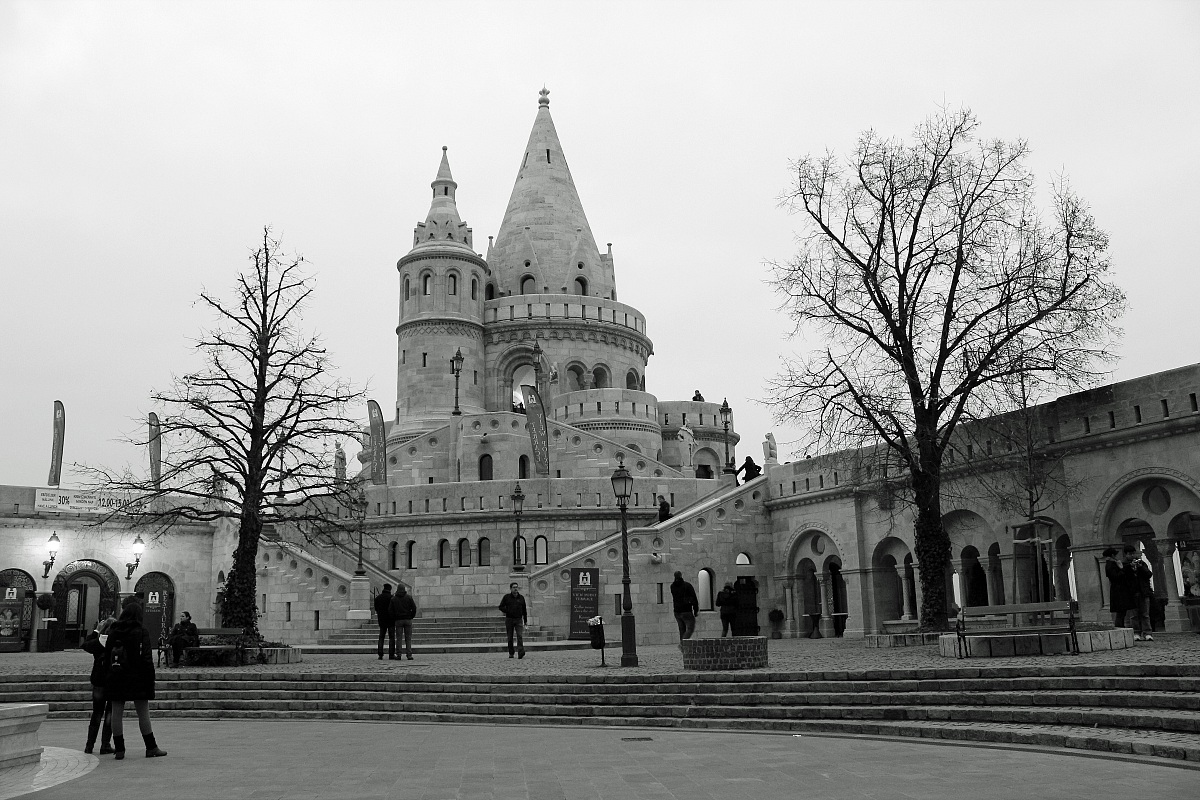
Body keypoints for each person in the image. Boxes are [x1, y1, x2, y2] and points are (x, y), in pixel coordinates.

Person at [104, 602, 166, 759]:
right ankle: (151, 747)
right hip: (138, 676)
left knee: (116, 712)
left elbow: (107, 654)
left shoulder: (114, 630)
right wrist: (150, 678)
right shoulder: (141, 631)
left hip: (117, 675)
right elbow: (146, 657)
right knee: (143, 712)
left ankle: (119, 749)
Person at [79, 615, 116, 754]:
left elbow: (85, 645)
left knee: (97, 713)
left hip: (99, 680)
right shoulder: (116, 641)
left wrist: (96, 630)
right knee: (110, 713)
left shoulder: (98, 642)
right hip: (112, 681)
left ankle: (89, 745)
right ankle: (105, 744)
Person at [1103, 546, 1135, 630]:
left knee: (1122, 612)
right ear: (1112, 555)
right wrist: (1122, 569)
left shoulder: (1111, 564)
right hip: (1118, 591)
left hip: (1119, 590)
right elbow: (1116, 577)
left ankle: (1120, 627)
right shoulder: (1110, 565)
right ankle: (1119, 628)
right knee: (1120, 612)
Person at [1129, 547, 1155, 642]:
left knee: (1145, 614)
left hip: (1143, 592)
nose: (1132, 556)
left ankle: (1147, 633)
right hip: (1132, 593)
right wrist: (1131, 568)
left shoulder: (1142, 564)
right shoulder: (1125, 565)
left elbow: (1149, 574)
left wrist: (1140, 567)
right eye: (1130, 554)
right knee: (1134, 615)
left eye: (1133, 553)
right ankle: (1136, 633)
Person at [499, 582, 527, 659]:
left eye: (516, 587)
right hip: (509, 619)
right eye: (514, 587)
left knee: (519, 636)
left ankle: (520, 652)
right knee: (510, 637)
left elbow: (524, 610)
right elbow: (501, 607)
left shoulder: (521, 598)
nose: (515, 589)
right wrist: (507, 611)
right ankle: (511, 652)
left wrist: (525, 621)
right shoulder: (506, 597)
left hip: (518, 619)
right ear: (511, 589)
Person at [390, 585, 418, 660]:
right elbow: (414, 608)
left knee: (399, 638)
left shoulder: (394, 599)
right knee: (408, 638)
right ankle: (409, 654)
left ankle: (398, 654)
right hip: (407, 619)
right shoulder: (408, 597)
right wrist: (411, 616)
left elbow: (390, 610)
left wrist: (394, 618)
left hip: (398, 620)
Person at [669, 571, 699, 641]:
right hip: (686, 610)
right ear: (681, 575)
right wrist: (695, 610)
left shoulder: (672, 586)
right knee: (690, 628)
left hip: (677, 611)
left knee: (682, 629)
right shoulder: (687, 585)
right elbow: (694, 598)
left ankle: (682, 644)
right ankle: (683, 643)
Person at [374, 584, 395, 659]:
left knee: (381, 637)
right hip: (391, 619)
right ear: (390, 589)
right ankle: (391, 654)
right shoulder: (392, 598)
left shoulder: (378, 598)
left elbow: (376, 608)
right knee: (391, 637)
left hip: (382, 619)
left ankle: (380, 654)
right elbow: (394, 608)